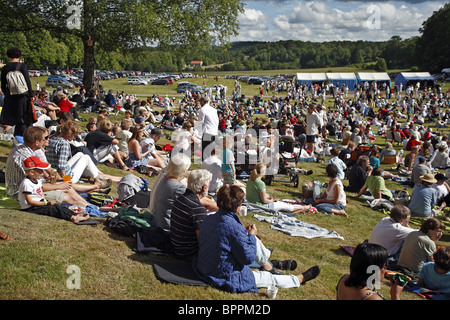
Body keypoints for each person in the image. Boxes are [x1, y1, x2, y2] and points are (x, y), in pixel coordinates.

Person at [194, 184, 321, 293]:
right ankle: (298, 279)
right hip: (221, 274)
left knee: (250, 241)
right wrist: (251, 236)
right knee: (268, 278)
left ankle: (267, 263)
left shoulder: (209, 218)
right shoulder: (232, 227)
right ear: (237, 206)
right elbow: (247, 257)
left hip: (205, 265)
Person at [5, 126, 106, 208]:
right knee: (84, 159)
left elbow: (48, 169)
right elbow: (61, 167)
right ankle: (95, 195)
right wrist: (62, 182)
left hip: (20, 187)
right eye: (45, 138)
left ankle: (95, 189)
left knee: (82, 158)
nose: (48, 139)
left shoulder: (21, 148)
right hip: (22, 194)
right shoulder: (63, 144)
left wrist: (57, 181)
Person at [18, 156, 90, 224]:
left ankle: (75, 214)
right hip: (30, 208)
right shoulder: (26, 183)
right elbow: (30, 202)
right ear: (32, 172)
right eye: (40, 171)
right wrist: (45, 203)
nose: (43, 173)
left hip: (39, 204)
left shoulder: (37, 180)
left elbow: (40, 191)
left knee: (57, 206)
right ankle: (73, 218)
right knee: (53, 209)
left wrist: (45, 200)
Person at [336, 242, 404, 300]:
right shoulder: (372, 298)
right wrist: (395, 295)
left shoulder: (344, 279)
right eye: (384, 265)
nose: (385, 269)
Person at [170, 169, 212, 261]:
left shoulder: (180, 199)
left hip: (176, 247)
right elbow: (203, 241)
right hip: (189, 254)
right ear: (204, 187)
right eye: (209, 184)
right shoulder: (197, 209)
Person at [149, 153, 191, 235]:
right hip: (167, 230)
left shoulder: (165, 177)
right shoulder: (177, 187)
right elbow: (198, 202)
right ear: (184, 170)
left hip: (156, 221)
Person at [246, 163, 311, 214]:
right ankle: (305, 207)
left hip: (251, 202)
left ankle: (301, 209)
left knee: (273, 199)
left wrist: (268, 198)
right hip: (260, 205)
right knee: (283, 205)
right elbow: (264, 201)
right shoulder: (260, 183)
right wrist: (271, 201)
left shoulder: (251, 179)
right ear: (263, 172)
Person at [0, 47, 33, 136]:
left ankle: (17, 136)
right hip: (23, 96)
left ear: (8, 56)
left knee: (16, 119)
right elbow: (27, 81)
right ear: (19, 55)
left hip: (11, 97)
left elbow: (3, 85)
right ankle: (25, 137)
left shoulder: (5, 68)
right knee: (24, 119)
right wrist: (31, 95)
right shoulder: (22, 66)